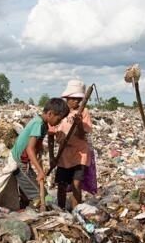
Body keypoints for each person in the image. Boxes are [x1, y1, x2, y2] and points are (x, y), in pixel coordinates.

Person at [48, 80, 93, 210]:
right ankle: (61, 209)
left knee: (76, 184)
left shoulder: (83, 113)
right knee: (61, 185)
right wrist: (52, 156)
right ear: (67, 98)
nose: (77, 102)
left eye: (80, 99)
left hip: (80, 154)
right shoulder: (60, 112)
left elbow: (81, 136)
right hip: (63, 155)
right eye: (74, 99)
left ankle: (75, 212)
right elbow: (51, 135)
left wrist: (78, 124)